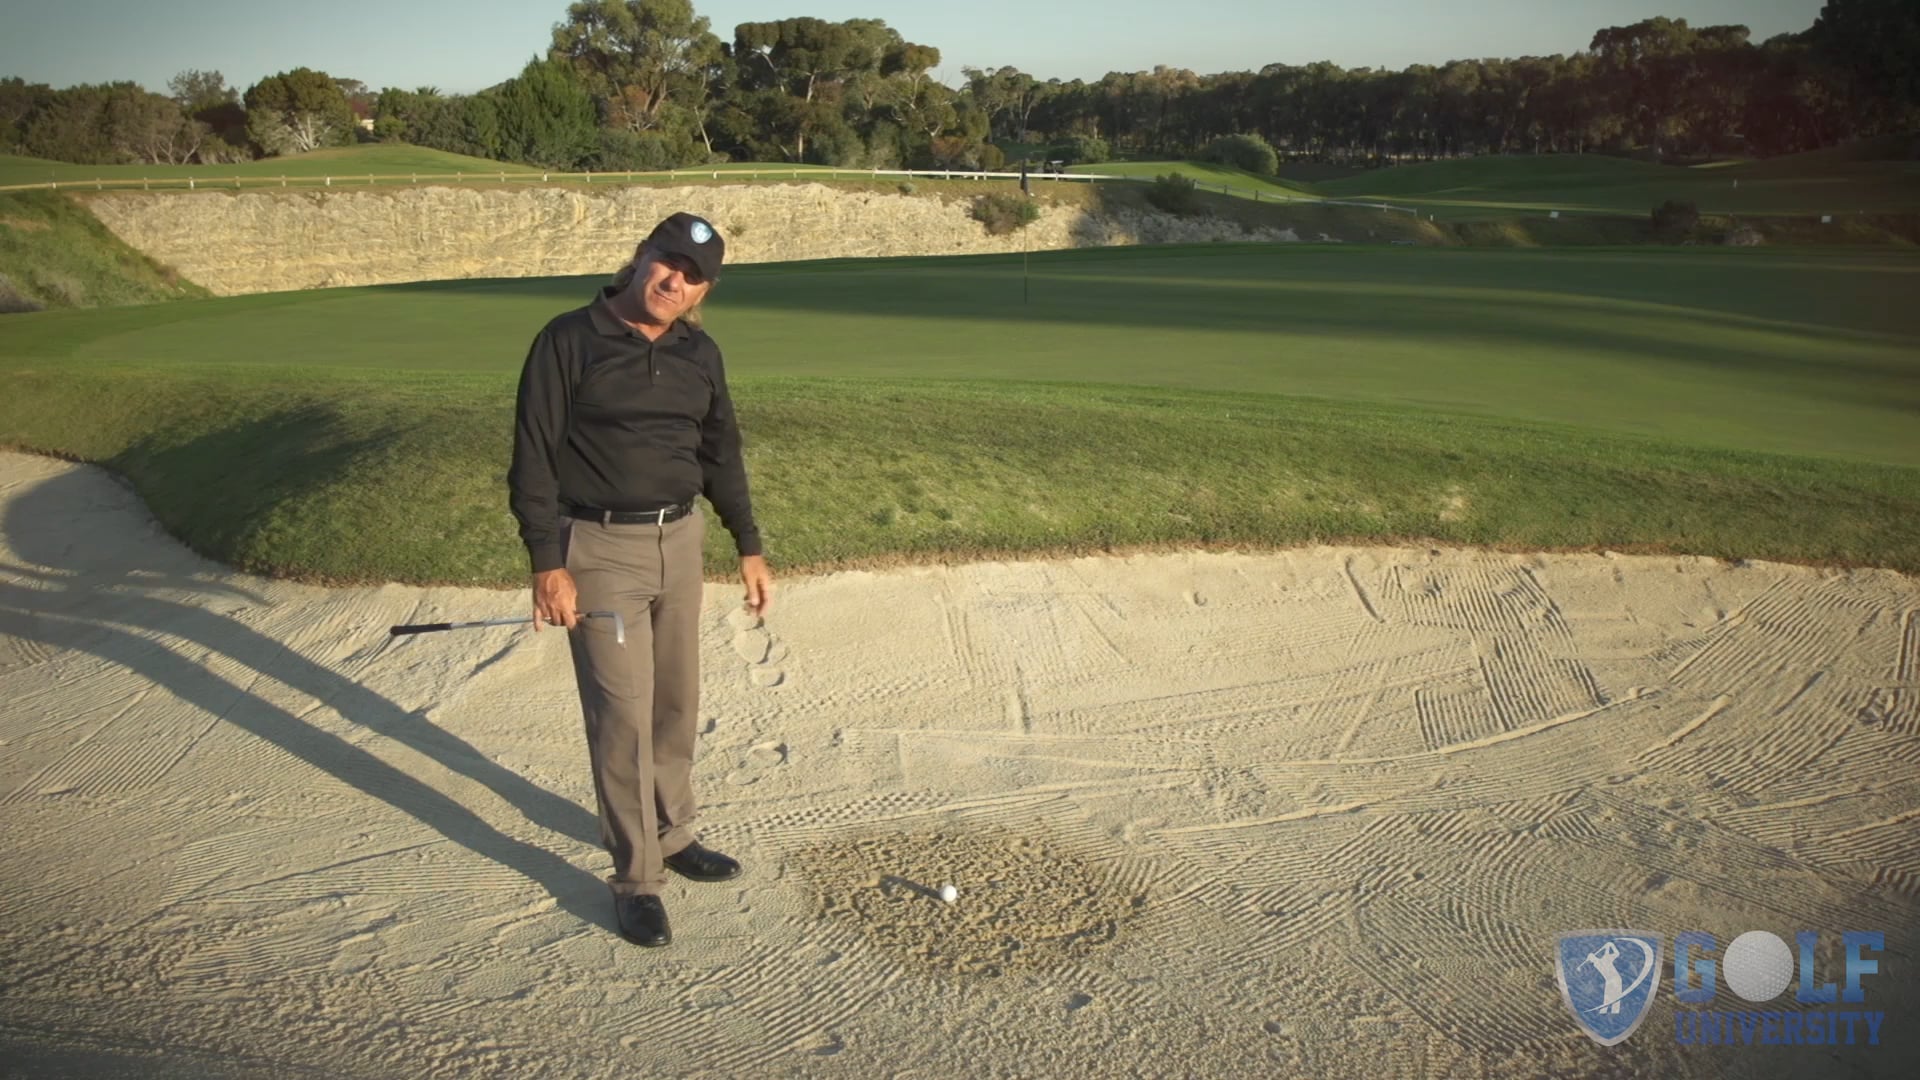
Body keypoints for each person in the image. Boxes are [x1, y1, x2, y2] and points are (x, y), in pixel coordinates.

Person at [507, 211, 774, 948]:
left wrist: (747, 544)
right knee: (622, 716)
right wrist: (546, 563)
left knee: (675, 705)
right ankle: (636, 877)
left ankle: (673, 834)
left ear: (703, 291)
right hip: (597, 546)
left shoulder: (699, 351)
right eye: (667, 262)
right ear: (639, 256)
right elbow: (533, 458)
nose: (674, 281)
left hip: (680, 541)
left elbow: (722, 451)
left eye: (693, 277)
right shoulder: (569, 339)